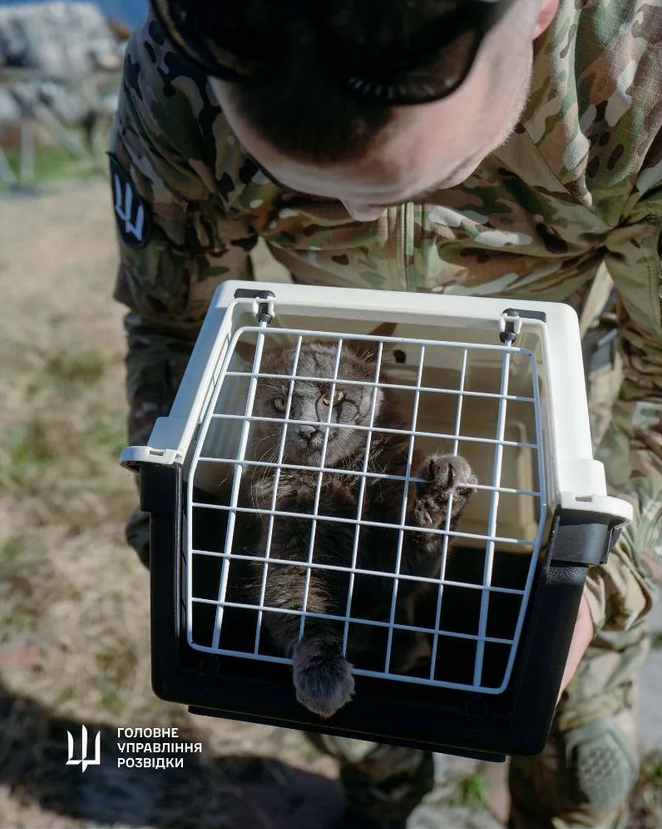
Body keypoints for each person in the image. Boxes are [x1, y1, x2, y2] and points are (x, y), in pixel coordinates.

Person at [109, 0, 662, 826]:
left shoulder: (638, 70)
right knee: (358, 719)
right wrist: (185, 530)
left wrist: (603, 584)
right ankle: (383, 782)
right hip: (320, 468)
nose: (356, 219)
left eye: (415, 181)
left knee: (584, 764)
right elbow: (171, 328)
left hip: (565, 445)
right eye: (307, 191)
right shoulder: (179, 68)